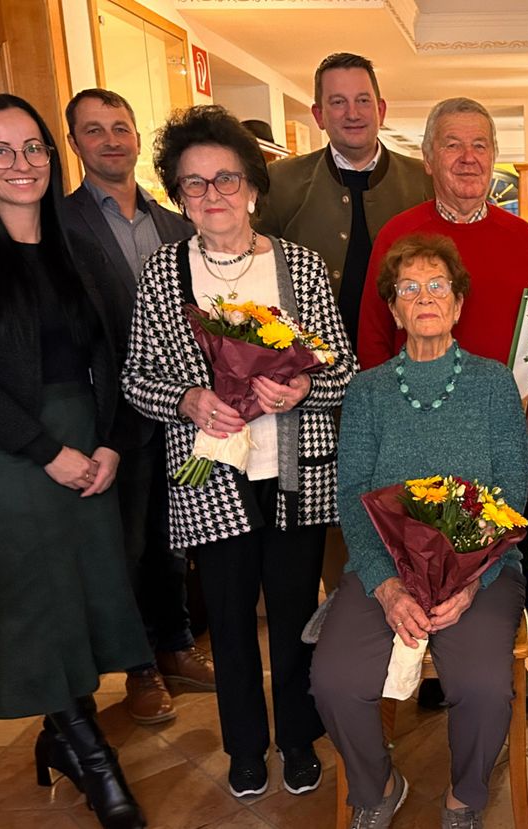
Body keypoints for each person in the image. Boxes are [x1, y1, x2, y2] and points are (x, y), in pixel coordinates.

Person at [0, 92, 150, 829]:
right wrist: (51, 453)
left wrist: (110, 440)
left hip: (93, 446)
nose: (22, 164)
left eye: (34, 148)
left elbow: (115, 355)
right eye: (0, 151)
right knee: (38, 603)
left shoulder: (76, 247)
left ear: (54, 155)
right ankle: (91, 754)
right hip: (13, 455)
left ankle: (61, 728)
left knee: (87, 596)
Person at [121, 105, 357, 800]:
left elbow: (341, 368)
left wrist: (299, 389)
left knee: (293, 614)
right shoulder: (163, 274)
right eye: (194, 184)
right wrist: (191, 400)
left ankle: (298, 737)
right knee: (226, 620)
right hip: (209, 473)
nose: (212, 195)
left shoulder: (301, 266)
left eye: (225, 178)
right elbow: (136, 377)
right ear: (178, 195)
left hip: (293, 471)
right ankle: (246, 747)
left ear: (252, 186)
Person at [356, 97, 528, 711]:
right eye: (453, 144)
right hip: (415, 425)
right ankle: (431, 655)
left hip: (504, 426)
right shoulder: (401, 233)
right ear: (428, 158)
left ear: (495, 158)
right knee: (418, 540)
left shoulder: (521, 237)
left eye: (480, 145)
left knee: (508, 543)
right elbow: (373, 337)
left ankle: (498, 655)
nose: (469, 157)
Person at [311, 234, 528, 829]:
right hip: (385, 567)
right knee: (332, 681)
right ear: (394, 307)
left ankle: (464, 799)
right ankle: (378, 785)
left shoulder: (493, 385)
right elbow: (352, 497)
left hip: (480, 572)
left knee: (484, 686)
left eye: (438, 286)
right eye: (410, 288)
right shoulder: (367, 392)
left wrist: (470, 586)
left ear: (458, 303)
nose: (424, 297)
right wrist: (385, 585)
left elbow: (511, 496)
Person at [256, 52, 433, 605]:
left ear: (381, 108)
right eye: (337, 101)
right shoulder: (281, 184)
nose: (351, 113)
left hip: (405, 373)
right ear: (317, 113)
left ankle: (421, 611)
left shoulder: (420, 181)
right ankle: (349, 610)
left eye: (362, 100)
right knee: (334, 497)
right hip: (317, 382)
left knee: (410, 488)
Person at [61, 87, 213, 727]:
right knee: (122, 542)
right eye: (94, 131)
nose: (111, 140)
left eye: (120, 127)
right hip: (107, 410)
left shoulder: (177, 224)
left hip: (179, 405)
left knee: (172, 536)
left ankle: (177, 645)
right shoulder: (58, 225)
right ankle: (140, 666)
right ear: (75, 144)